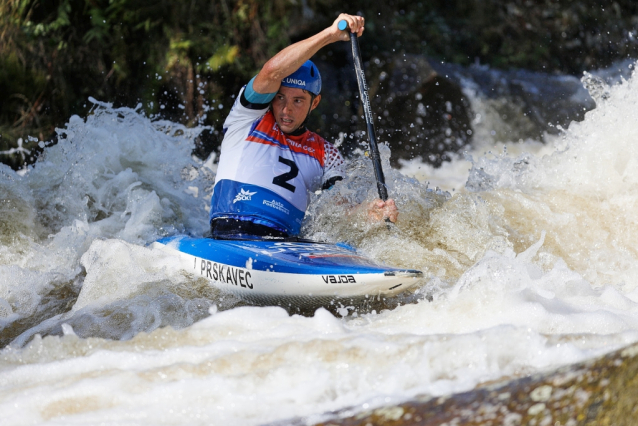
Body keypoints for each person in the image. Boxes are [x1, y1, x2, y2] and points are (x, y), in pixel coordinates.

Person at [209, 13, 398, 239]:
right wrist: (330, 35)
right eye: (280, 98)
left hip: (284, 244)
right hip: (228, 233)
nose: (286, 109)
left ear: (314, 103)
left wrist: (370, 214)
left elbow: (338, 208)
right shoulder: (248, 117)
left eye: (298, 101)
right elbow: (271, 71)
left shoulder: (326, 153)